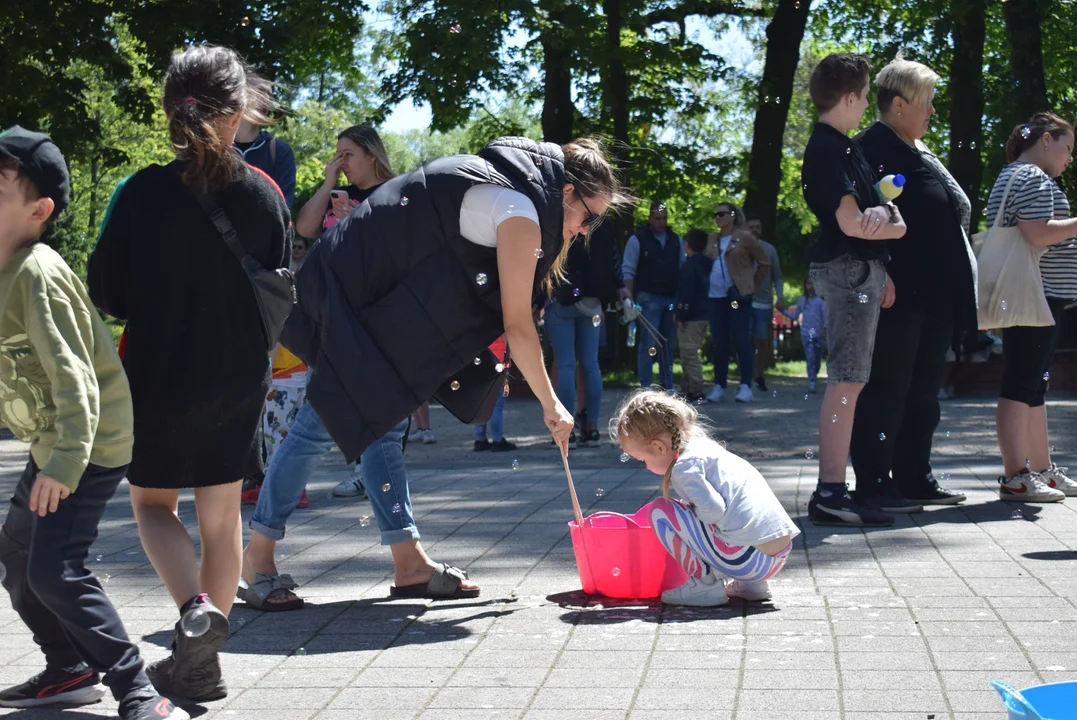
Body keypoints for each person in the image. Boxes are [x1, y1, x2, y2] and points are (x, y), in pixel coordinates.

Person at [243, 137, 623, 608]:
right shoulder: (519, 212)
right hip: (353, 295)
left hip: (359, 289)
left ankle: (409, 562)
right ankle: (256, 557)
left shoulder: (504, 186)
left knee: (384, 424)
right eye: (589, 216)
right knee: (320, 423)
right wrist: (552, 405)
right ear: (565, 192)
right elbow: (518, 325)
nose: (585, 231)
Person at [87, 45, 292, 701]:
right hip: (236, 380)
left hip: (156, 375)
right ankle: (203, 661)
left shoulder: (139, 193)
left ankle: (192, 613)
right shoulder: (265, 197)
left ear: (172, 116)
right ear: (238, 115)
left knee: (151, 504)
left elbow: (107, 292)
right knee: (222, 521)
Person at [0, 128, 187, 719]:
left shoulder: (37, 271)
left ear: (39, 209)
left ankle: (139, 691)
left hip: (89, 443)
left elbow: (74, 375)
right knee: (17, 558)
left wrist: (62, 461)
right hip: (55, 442)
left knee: (54, 571)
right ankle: (67, 668)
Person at [851, 57, 979, 512]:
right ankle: (874, 480)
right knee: (888, 388)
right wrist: (879, 268)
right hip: (895, 295)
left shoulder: (920, 150)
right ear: (900, 103)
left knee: (924, 390)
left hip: (934, 296)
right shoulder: (869, 148)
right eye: (926, 102)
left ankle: (914, 476)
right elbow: (858, 219)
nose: (932, 112)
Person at [800, 53, 906, 528]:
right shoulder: (829, 149)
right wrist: (889, 227)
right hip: (848, 271)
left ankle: (835, 488)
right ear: (849, 97)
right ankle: (829, 491)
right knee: (846, 380)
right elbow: (854, 222)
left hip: (858, 270)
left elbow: (884, 216)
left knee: (850, 380)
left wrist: (884, 234)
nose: (866, 106)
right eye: (864, 97)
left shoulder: (843, 148)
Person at [611, 390, 798, 607]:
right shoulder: (706, 449)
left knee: (660, 511)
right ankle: (751, 587)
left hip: (745, 560)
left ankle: (704, 586)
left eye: (642, 459)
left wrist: (690, 513)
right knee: (726, 519)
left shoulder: (684, 468)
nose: (645, 466)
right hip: (774, 559)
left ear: (659, 447)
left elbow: (714, 510)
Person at [986, 112, 1077, 502]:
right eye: (1068, 147)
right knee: (1022, 383)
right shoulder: (1030, 177)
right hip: (1032, 295)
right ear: (1045, 140)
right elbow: (1037, 233)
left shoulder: (1020, 176)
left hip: (1038, 296)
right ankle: (1015, 476)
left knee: (1034, 385)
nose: (1070, 157)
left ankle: (1041, 469)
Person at [546, 216, 630, 447]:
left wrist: (536, 299)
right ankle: (591, 427)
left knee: (565, 364)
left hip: (561, 296)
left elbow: (545, 256)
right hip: (593, 300)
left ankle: (566, 430)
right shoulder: (603, 221)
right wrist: (619, 287)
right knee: (591, 363)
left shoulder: (561, 216)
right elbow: (613, 258)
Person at [704, 201, 770, 404]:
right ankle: (719, 385)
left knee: (741, 340)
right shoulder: (711, 239)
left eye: (722, 214)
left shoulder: (745, 237)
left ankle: (745, 386)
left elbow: (764, 262)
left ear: (732, 216)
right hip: (716, 298)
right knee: (719, 341)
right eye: (716, 214)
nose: (718, 217)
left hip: (737, 298)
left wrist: (751, 286)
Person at [294, 124, 394, 239]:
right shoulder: (338, 195)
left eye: (348, 154)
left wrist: (361, 221)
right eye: (340, 156)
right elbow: (304, 229)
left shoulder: (394, 193)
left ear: (371, 155)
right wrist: (328, 184)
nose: (343, 162)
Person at [622, 202, 683, 389]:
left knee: (668, 344)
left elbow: (682, 269)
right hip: (648, 298)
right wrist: (629, 299)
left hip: (671, 297)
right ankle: (646, 384)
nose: (661, 222)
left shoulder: (676, 240)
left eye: (664, 218)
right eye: (657, 218)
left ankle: (667, 384)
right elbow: (628, 270)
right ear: (649, 219)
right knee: (648, 343)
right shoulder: (637, 240)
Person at [233, 73, 296, 208]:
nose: (267, 99)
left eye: (270, 96)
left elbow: (283, 209)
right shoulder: (217, 148)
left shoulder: (280, 151)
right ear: (240, 96)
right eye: (260, 92)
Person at [745, 214, 785, 391]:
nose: (754, 230)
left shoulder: (769, 249)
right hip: (744, 302)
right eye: (751, 226)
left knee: (761, 341)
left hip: (764, 303)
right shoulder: (740, 249)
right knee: (745, 340)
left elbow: (777, 276)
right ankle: (746, 376)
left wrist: (781, 297)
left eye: (757, 227)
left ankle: (758, 375)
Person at [675, 229, 714, 402]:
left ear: (688, 245)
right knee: (688, 352)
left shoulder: (689, 266)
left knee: (689, 353)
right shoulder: (710, 264)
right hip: (705, 313)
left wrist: (681, 314)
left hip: (691, 315)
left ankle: (696, 390)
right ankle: (686, 389)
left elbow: (686, 292)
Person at [783, 278, 828, 393]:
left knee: (817, 359)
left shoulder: (820, 302)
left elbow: (826, 319)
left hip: (819, 334)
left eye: (813, 283)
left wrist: (827, 330)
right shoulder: (802, 300)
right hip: (806, 334)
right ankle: (812, 381)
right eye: (808, 283)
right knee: (810, 357)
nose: (810, 286)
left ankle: (814, 375)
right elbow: (795, 316)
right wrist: (783, 311)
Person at [474, 336, 515, 451]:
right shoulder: (501, 318)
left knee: (481, 403)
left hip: (480, 359)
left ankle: (479, 440)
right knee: (497, 405)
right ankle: (498, 440)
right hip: (499, 360)